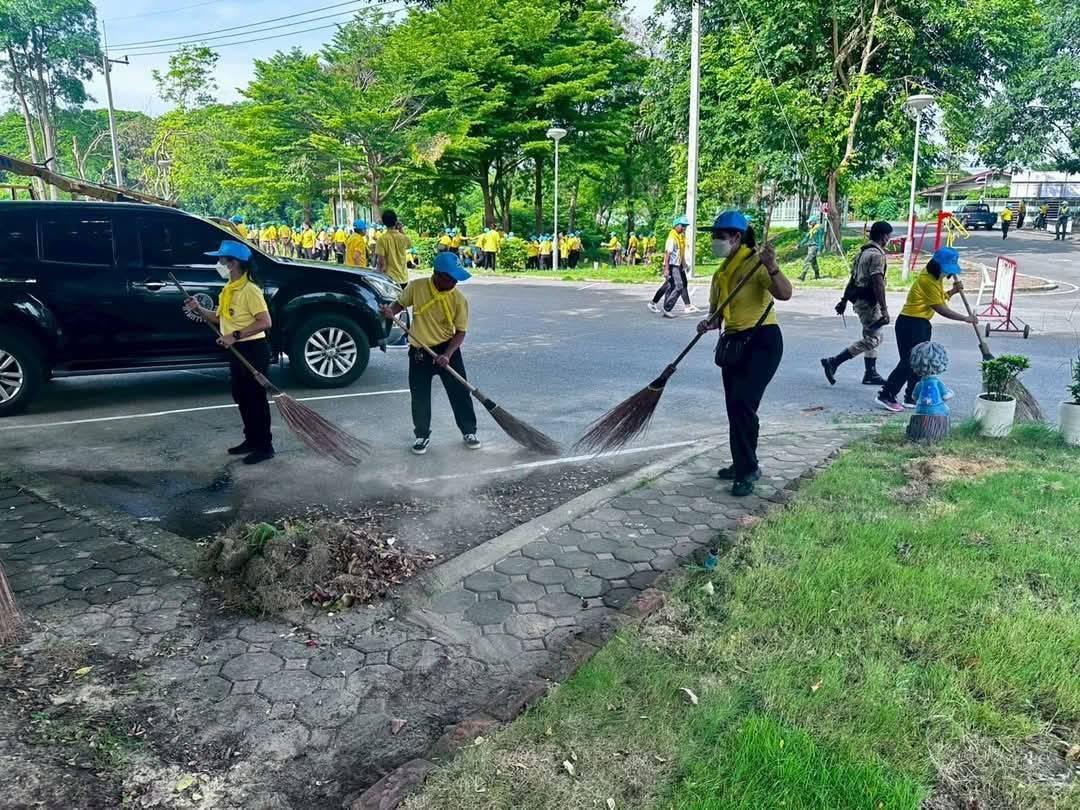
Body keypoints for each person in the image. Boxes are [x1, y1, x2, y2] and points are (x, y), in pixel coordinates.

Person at [696, 211, 792, 496]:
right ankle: (743, 462)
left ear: (737, 237)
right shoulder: (721, 273)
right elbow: (717, 315)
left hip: (762, 342)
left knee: (742, 404)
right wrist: (708, 322)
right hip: (734, 344)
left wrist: (772, 266)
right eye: (714, 236)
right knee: (735, 408)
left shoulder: (756, 263)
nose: (715, 241)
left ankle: (747, 469)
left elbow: (785, 293)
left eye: (720, 236)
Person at [183, 240, 274, 465]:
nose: (219, 264)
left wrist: (235, 335)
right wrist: (199, 309)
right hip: (236, 349)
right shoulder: (228, 289)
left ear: (233, 263)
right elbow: (219, 318)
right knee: (241, 396)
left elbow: (265, 322)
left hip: (253, 350)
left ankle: (265, 447)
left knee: (255, 399)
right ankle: (251, 440)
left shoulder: (250, 290)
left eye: (221, 260)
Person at [380, 251, 480, 455]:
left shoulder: (458, 299)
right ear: (437, 275)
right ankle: (422, 435)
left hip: (448, 349)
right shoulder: (417, 287)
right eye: (451, 278)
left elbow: (461, 332)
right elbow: (399, 304)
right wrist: (391, 311)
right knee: (420, 396)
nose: (455, 282)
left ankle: (469, 431)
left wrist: (448, 355)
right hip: (420, 351)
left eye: (457, 279)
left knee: (460, 393)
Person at [875, 247, 977, 412]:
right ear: (937, 265)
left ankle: (911, 396)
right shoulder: (927, 280)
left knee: (918, 362)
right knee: (909, 362)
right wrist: (965, 318)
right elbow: (940, 308)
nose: (948, 272)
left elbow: (937, 298)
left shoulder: (935, 277)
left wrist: (952, 291)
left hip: (920, 322)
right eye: (946, 269)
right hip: (911, 323)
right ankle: (886, 394)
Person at [820, 220, 893, 386]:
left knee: (871, 334)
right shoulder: (877, 255)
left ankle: (870, 373)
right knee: (874, 339)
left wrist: (844, 300)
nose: (888, 239)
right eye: (888, 236)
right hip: (869, 302)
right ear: (884, 237)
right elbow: (878, 283)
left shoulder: (862, 253)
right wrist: (884, 308)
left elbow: (852, 279)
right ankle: (834, 361)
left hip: (859, 299)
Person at [375, 209, 411, 286]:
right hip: (403, 278)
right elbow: (409, 244)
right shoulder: (403, 238)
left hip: (390, 279)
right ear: (395, 221)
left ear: (384, 222)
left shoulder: (382, 239)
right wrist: (401, 229)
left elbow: (381, 263)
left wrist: (378, 278)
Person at [798, 215, 825, 280]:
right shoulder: (812, 229)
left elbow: (820, 240)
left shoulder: (819, 228)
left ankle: (803, 276)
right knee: (813, 261)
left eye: (810, 222)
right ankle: (817, 275)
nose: (809, 223)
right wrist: (799, 245)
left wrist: (819, 250)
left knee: (807, 260)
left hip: (815, 246)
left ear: (814, 221)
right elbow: (806, 238)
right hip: (810, 246)